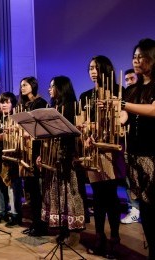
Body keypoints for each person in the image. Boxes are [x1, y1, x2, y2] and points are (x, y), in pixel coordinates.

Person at [79, 55, 126, 258]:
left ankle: (114, 239)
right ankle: (99, 237)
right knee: (98, 198)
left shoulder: (117, 91)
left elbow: (123, 116)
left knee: (111, 197)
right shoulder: (85, 96)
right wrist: (86, 133)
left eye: (96, 68)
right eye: (90, 68)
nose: (92, 71)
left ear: (105, 69)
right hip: (93, 149)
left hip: (110, 150)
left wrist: (111, 111)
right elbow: (83, 122)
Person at [38, 76, 85, 246]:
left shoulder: (72, 107)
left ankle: (74, 232)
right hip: (53, 156)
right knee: (56, 195)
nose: (49, 89)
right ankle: (63, 230)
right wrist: (42, 155)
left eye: (52, 86)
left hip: (68, 156)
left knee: (70, 194)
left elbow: (75, 134)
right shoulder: (53, 108)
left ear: (61, 87)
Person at [120, 38, 155, 259]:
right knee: (145, 210)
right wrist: (113, 114)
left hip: (153, 153)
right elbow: (125, 117)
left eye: (140, 56)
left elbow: (153, 110)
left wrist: (123, 105)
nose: (136, 60)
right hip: (135, 152)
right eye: (134, 56)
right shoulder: (132, 89)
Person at [16, 76, 49, 236]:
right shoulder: (24, 105)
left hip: (37, 150)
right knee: (29, 190)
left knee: (37, 191)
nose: (22, 87)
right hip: (26, 150)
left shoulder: (40, 103)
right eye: (21, 85)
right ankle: (35, 223)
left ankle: (41, 225)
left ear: (33, 86)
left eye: (25, 85)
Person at [0, 92, 23, 227]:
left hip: (12, 157)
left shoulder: (16, 118)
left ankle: (15, 214)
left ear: (13, 104)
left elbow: (19, 137)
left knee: (12, 187)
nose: (4, 105)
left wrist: (5, 136)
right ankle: (0, 212)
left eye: (7, 102)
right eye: (2, 102)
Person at [120, 68, 140, 224]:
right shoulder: (126, 95)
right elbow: (123, 117)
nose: (128, 82)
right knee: (130, 177)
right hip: (130, 142)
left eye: (131, 78)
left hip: (146, 143)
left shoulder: (144, 93)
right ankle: (134, 208)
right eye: (126, 79)